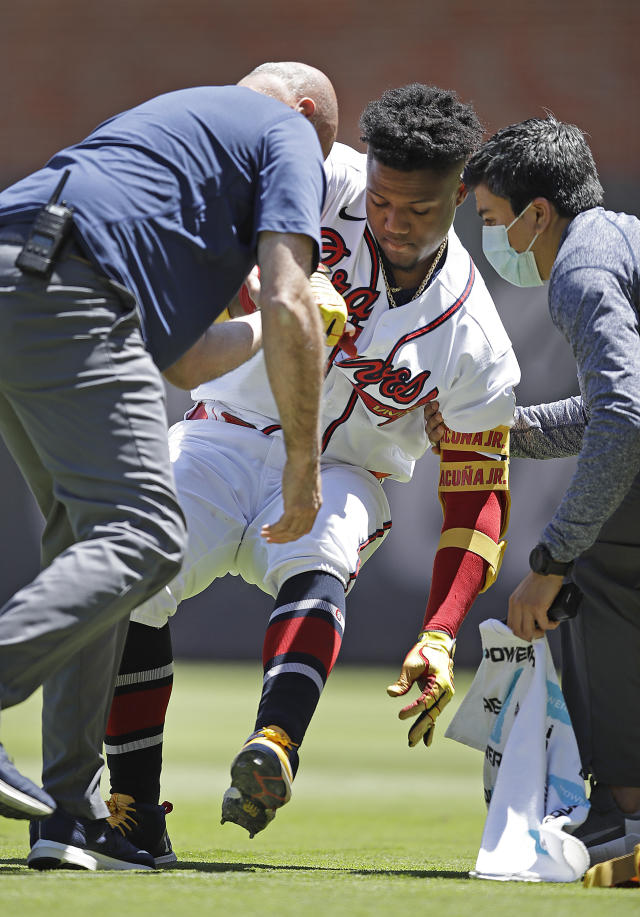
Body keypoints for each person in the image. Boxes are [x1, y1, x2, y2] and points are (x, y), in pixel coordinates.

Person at [94, 83, 520, 865]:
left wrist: (440, 630)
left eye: (418, 211)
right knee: (135, 572)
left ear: (459, 194)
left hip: (344, 467)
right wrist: (273, 288)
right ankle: (133, 815)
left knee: (321, 554)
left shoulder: (476, 333)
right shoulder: (322, 180)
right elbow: (201, 239)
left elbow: (476, 488)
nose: (392, 222)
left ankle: (275, 743)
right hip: (222, 433)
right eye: (384, 201)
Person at [0, 60, 340, 871]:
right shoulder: (287, 131)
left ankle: (69, 814)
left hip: (22, 264)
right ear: (301, 112)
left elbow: (186, 363)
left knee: (92, 550)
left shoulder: (185, 135)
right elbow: (296, 298)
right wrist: (303, 456)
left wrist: (258, 328)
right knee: (148, 534)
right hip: (75, 286)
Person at [443, 114, 640, 868]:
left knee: (590, 579)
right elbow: (608, 413)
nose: (491, 239)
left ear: (537, 215)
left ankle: (625, 809)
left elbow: (623, 418)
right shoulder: (612, 236)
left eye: (491, 220)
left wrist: (553, 559)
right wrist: (499, 430)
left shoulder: (579, 272)